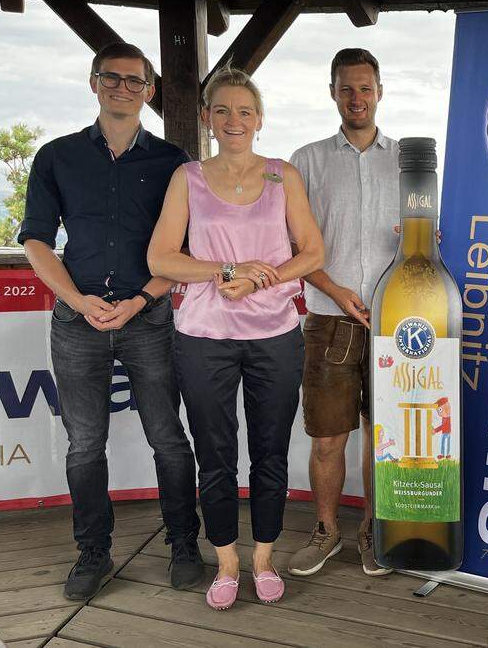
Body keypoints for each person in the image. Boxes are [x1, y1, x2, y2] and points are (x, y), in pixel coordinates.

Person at [19, 42, 203, 601]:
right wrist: (77, 300)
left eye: (135, 80)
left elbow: (187, 251)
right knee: (84, 445)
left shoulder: (174, 163)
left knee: (168, 439)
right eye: (112, 78)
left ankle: (184, 545)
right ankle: (93, 553)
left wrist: (142, 300)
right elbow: (36, 240)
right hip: (77, 322)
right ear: (94, 82)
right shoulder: (56, 156)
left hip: (147, 319)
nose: (123, 87)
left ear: (150, 90)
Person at [147, 66, 325, 610]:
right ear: (206, 118)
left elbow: (312, 253)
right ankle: (226, 561)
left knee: (270, 453)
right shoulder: (188, 178)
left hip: (275, 334)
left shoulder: (283, 175)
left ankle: (264, 558)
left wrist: (260, 277)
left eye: (244, 111)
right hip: (203, 336)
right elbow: (161, 258)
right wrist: (225, 271)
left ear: (260, 119)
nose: (233, 120)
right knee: (216, 454)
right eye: (221, 110)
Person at [284, 48, 398, 579]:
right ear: (332, 92)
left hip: (397, 325)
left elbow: (429, 241)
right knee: (328, 438)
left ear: (380, 91)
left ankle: (375, 534)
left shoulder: (408, 161)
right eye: (347, 88)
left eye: (365, 87)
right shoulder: (303, 161)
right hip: (330, 320)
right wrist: (336, 289)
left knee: (385, 438)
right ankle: (326, 532)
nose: (357, 98)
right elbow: (291, 247)